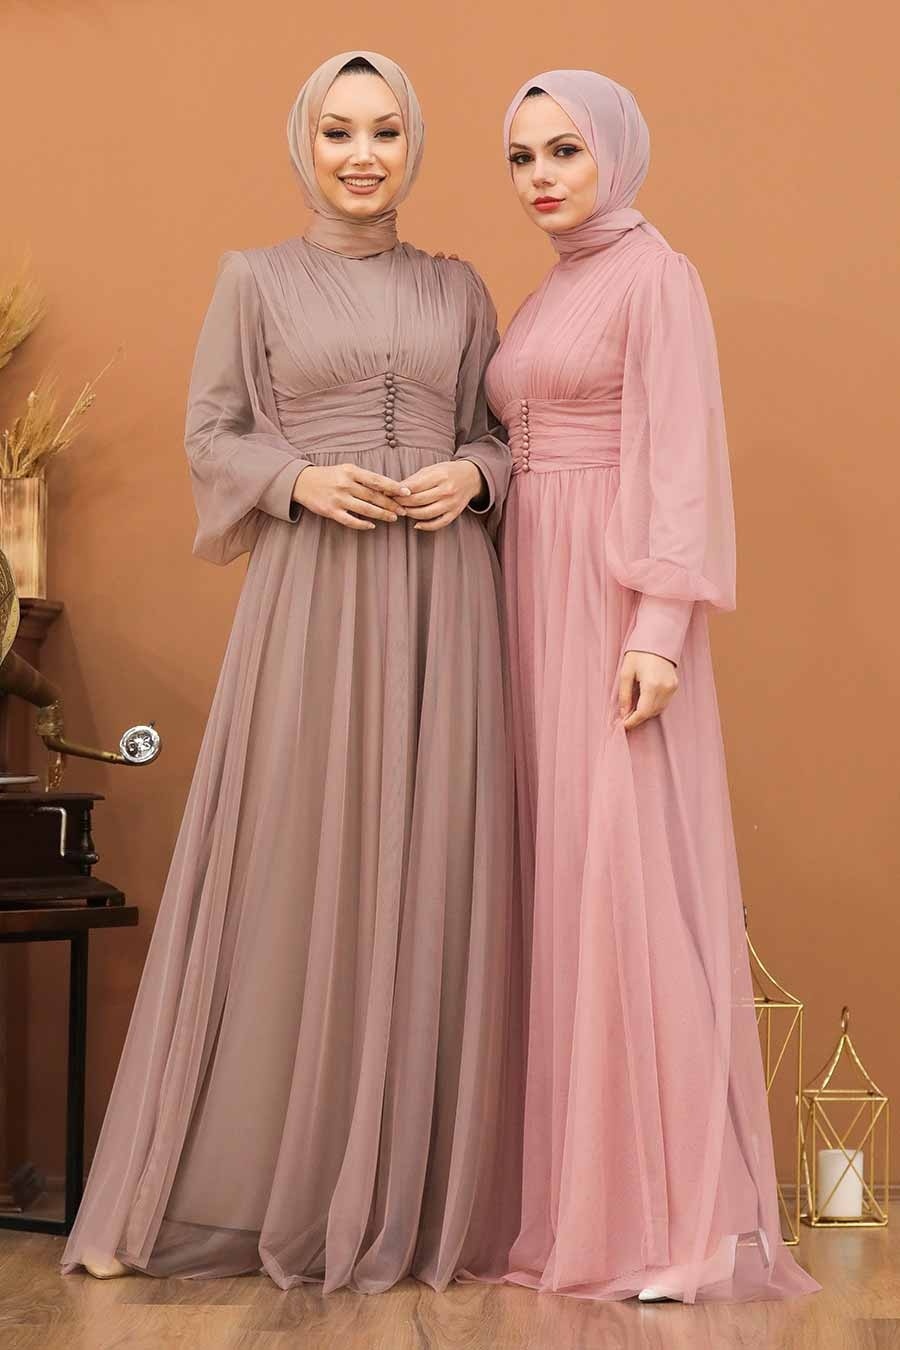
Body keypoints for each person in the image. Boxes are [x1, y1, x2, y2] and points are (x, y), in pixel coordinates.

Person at [60, 50, 521, 1294]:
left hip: (443, 606)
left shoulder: (460, 286)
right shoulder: (252, 281)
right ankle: (274, 1186)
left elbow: (501, 435)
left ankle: (406, 1191)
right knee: (302, 857)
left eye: (385, 131)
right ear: (303, 145)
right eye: (338, 132)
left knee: (429, 863)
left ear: (413, 145)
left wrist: (476, 477)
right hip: (315, 596)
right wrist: (299, 479)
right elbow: (210, 433)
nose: (363, 156)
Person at [485, 68, 820, 1303]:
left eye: (564, 150)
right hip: (528, 589)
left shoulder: (656, 276)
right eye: (522, 157)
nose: (541, 177)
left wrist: (661, 628)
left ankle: (679, 1223)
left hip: (609, 596)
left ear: (616, 152)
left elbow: (679, 455)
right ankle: (584, 1203)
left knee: (629, 885)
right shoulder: (550, 289)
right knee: (566, 889)